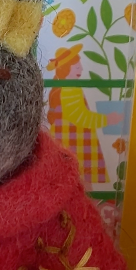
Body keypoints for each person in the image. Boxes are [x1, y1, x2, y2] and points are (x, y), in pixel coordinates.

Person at [46, 45, 122, 188]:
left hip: (70, 142)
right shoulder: (70, 90)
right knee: (81, 183)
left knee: (71, 182)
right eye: (76, 67)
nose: (81, 69)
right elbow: (81, 117)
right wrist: (107, 119)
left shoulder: (63, 88)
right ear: (66, 69)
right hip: (75, 144)